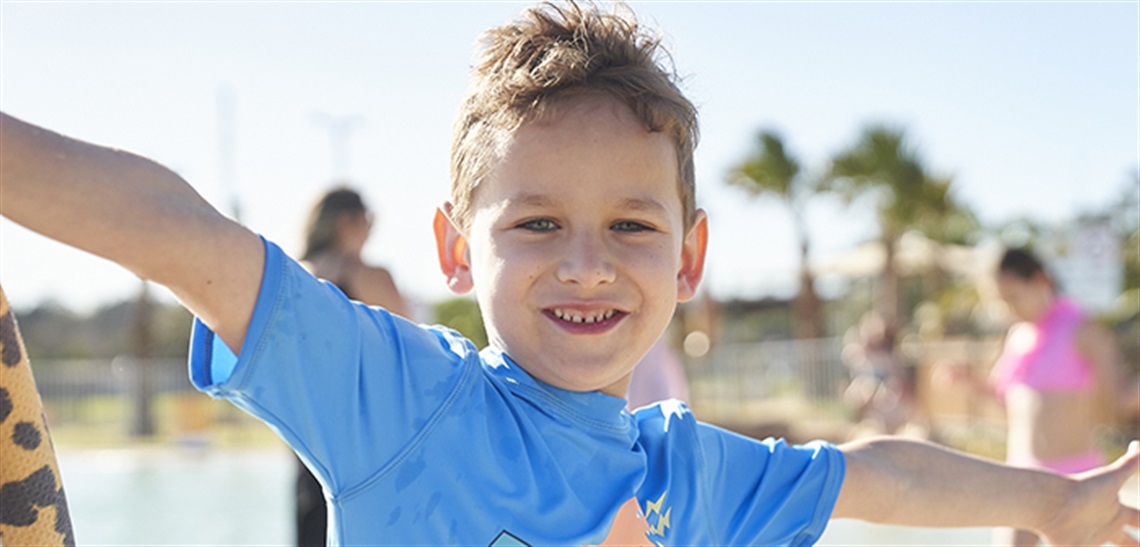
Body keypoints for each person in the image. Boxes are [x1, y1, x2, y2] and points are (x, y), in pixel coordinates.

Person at [2, 2, 1138, 545]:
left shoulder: (683, 470)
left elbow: (875, 476)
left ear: (690, 257)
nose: (585, 263)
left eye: (633, 226)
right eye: (536, 222)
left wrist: (1059, 499)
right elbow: (179, 232)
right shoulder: (402, 398)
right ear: (457, 248)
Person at [936, 247, 1130, 546]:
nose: (1006, 310)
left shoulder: (1081, 330)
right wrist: (970, 382)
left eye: (1012, 298)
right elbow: (1011, 404)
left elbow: (1115, 403)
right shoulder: (1018, 336)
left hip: (1074, 478)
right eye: (998, 303)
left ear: (1040, 280)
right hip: (1021, 474)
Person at [294, 186, 407, 546]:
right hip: (366, 425)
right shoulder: (370, 277)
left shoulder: (297, 276)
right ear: (348, 224)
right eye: (368, 221)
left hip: (305, 424)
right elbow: (408, 351)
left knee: (312, 525)